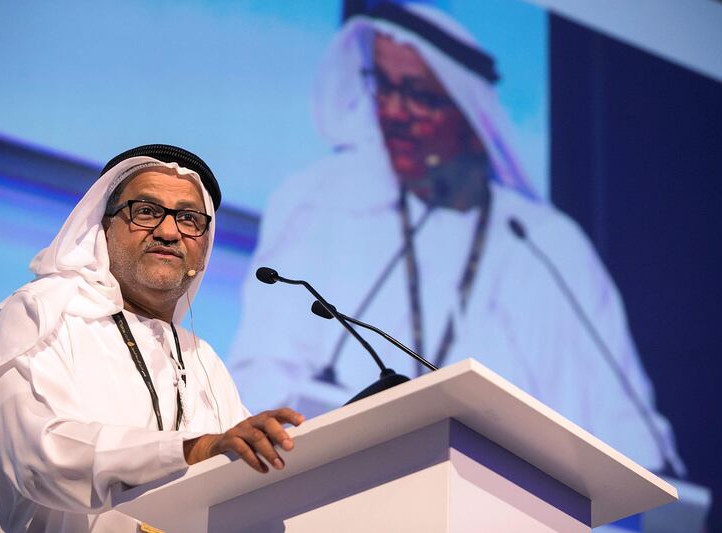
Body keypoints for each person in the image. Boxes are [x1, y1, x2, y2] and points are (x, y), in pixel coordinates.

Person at [228, 3, 684, 475]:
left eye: (418, 95)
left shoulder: (547, 245)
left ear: (470, 113)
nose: (393, 111)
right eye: (383, 85)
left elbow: (625, 433)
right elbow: (260, 379)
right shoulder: (319, 201)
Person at [0, 144, 304, 532]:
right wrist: (191, 450)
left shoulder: (202, 360)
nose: (168, 232)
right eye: (146, 211)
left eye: (188, 219)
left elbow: (247, 479)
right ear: (103, 226)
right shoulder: (43, 312)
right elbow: (39, 457)